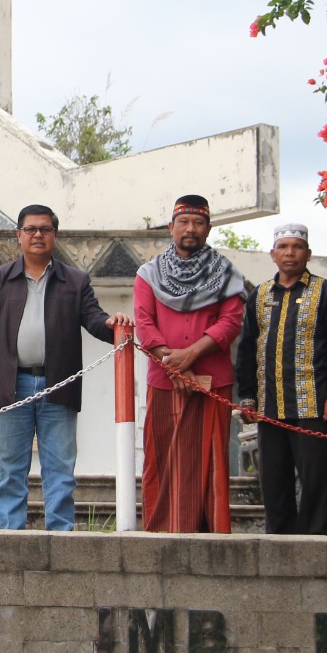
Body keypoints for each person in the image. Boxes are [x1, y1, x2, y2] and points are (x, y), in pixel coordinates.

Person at [0, 204, 131, 531]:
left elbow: (94, 319)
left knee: (60, 468)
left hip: (58, 386)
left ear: (54, 235)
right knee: (11, 469)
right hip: (10, 389)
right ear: (19, 235)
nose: (37, 235)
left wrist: (113, 324)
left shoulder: (75, 280)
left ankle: (61, 534)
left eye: (45, 229)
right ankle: (12, 534)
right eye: (30, 229)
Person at [134, 194, 246, 533]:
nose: (190, 229)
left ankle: (211, 537)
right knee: (164, 460)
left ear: (208, 229)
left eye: (198, 223)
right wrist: (174, 366)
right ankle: (163, 533)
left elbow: (230, 322)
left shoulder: (226, 274)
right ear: (171, 227)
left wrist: (189, 356)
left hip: (213, 382)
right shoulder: (149, 273)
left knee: (209, 462)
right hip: (164, 380)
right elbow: (144, 322)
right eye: (183, 222)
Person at [236, 223, 327, 535]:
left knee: (316, 482)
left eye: (297, 247)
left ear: (308, 254)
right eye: (284, 247)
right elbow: (247, 350)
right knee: (274, 484)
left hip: (313, 405)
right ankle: (279, 546)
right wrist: (246, 397)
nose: (290, 253)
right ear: (273, 254)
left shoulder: (326, 292)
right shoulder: (258, 296)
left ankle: (315, 547)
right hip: (269, 407)